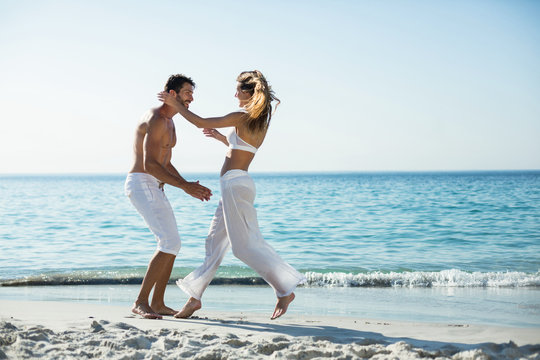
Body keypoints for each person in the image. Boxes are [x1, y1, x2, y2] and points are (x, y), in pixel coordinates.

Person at [158, 70, 306, 320]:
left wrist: (175, 105)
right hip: (235, 185)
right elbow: (241, 150)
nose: (234, 94)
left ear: (248, 93)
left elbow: (200, 121)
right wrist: (220, 139)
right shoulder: (257, 120)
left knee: (243, 247)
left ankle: (284, 289)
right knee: (214, 243)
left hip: (235, 186)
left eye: (238, 90)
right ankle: (194, 299)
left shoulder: (242, 116)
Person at [124, 74, 212, 319]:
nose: (191, 98)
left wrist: (187, 184)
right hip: (142, 183)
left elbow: (165, 162)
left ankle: (158, 302)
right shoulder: (156, 118)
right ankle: (140, 302)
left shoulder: (171, 123)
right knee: (169, 242)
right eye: (187, 93)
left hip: (154, 185)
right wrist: (184, 188)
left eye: (192, 93)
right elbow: (150, 164)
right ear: (172, 94)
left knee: (173, 244)